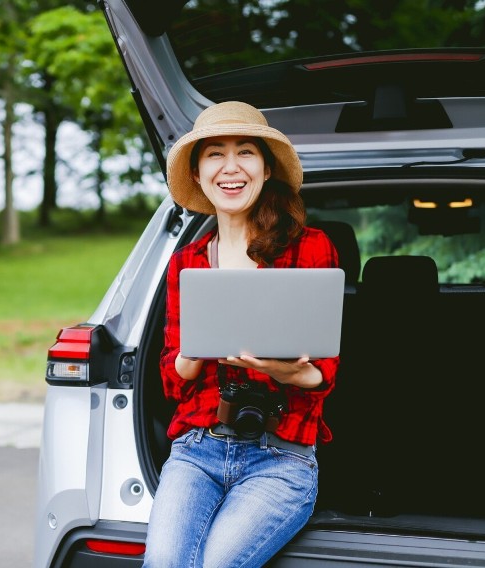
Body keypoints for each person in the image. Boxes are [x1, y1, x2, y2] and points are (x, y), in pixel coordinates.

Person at [143, 101, 341, 568]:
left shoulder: (310, 248)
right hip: (197, 450)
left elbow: (323, 375)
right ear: (198, 172)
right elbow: (173, 380)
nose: (230, 168)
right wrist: (194, 350)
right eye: (215, 154)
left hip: (282, 458)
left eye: (245, 152)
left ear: (266, 168)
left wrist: (287, 371)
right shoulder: (186, 261)